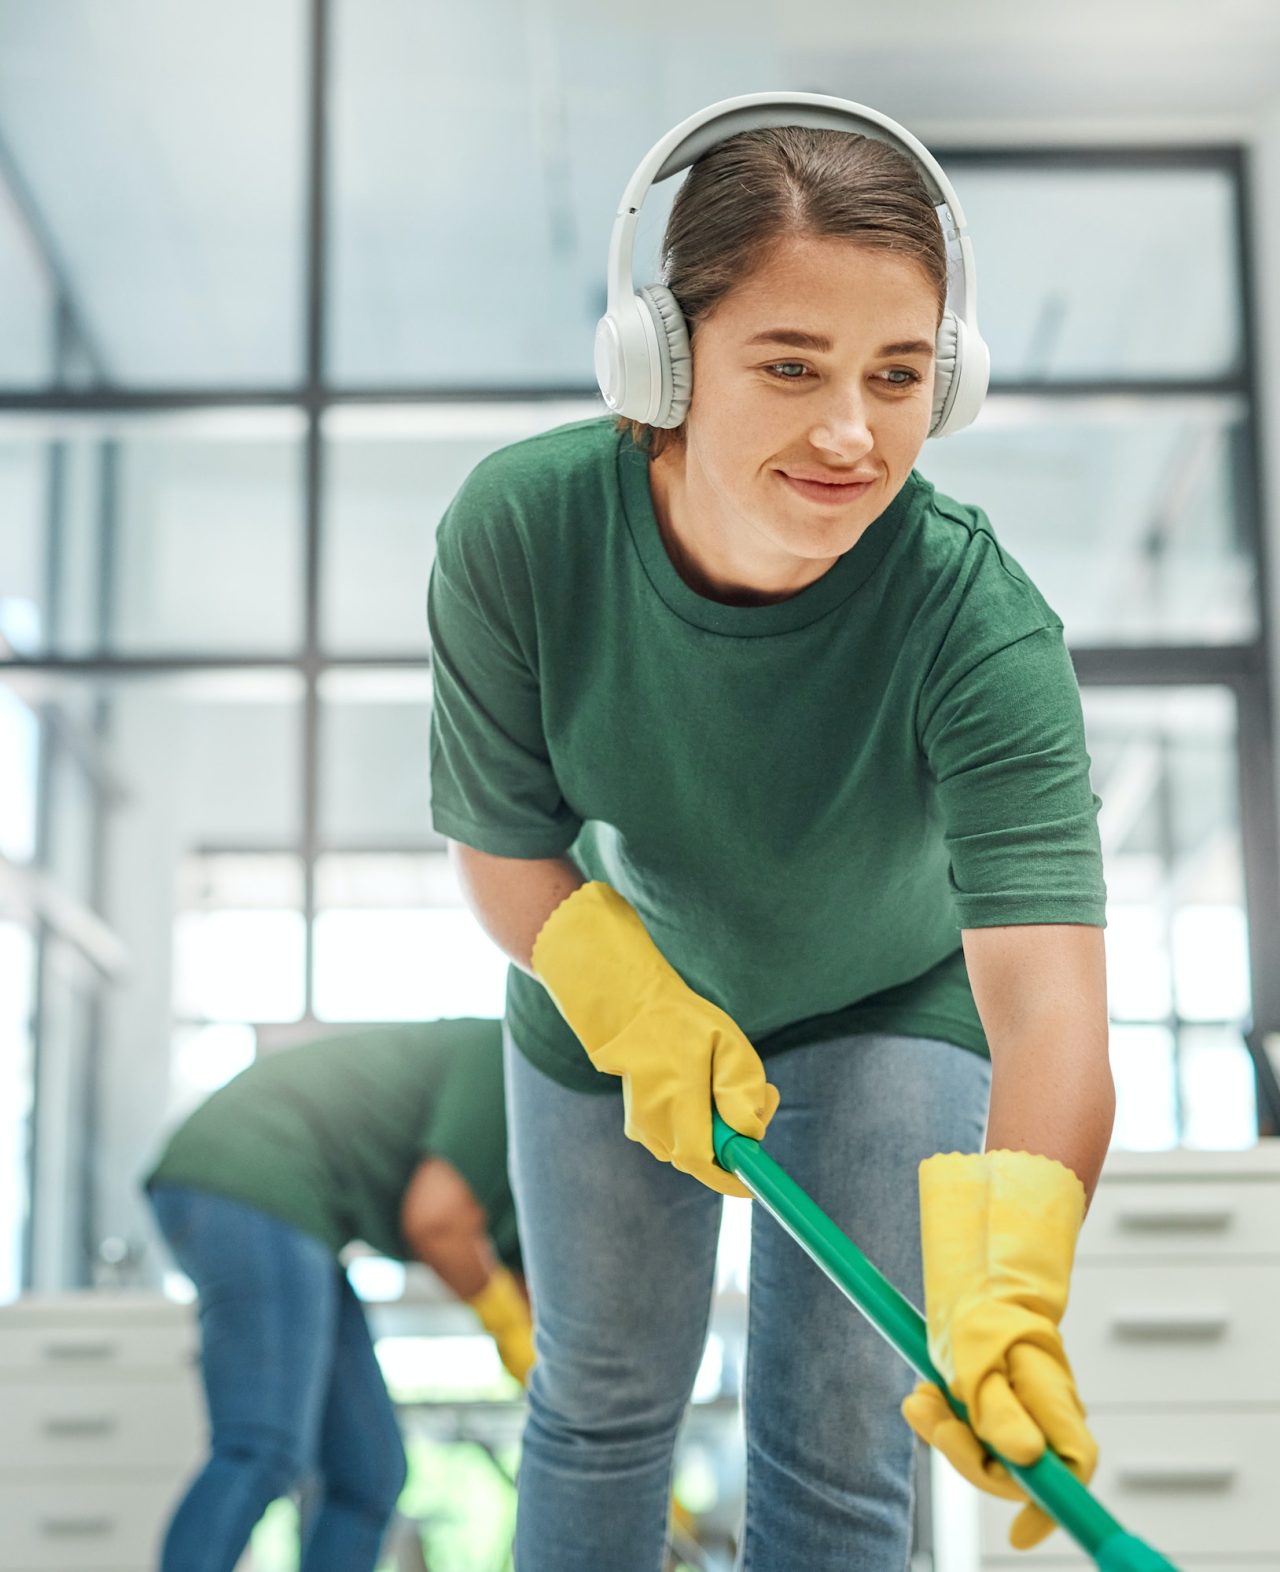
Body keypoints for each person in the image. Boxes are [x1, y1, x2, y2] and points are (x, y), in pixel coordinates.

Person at [427, 93, 1113, 1572]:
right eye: (790, 365)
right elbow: (503, 844)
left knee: (844, 1438)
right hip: (610, 990)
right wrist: (621, 999)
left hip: (886, 999)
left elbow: (1047, 992)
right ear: (660, 362)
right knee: (600, 1406)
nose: (853, 432)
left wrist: (1012, 1286)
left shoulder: (978, 627)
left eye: (900, 374)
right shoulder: (525, 533)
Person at [141, 1018, 532, 1572]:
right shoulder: (507, 1062)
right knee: (261, 1445)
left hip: (296, 1210)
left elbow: (532, 1293)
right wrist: (510, 1331)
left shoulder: (535, 1183)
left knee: (368, 1472)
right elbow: (437, 1222)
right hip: (253, 1174)